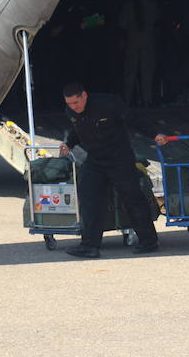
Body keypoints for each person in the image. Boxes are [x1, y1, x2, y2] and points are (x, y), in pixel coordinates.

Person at [60, 83, 158, 258]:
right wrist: (69, 143)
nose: (74, 108)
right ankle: (90, 245)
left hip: (119, 158)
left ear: (84, 95)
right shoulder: (71, 112)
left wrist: (154, 134)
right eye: (69, 104)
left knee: (132, 198)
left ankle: (148, 241)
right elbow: (78, 130)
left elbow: (133, 119)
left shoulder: (108, 104)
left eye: (76, 103)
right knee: (88, 198)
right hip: (95, 160)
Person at [119, 0, 160, 106]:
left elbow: (122, 24)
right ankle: (147, 101)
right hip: (148, 44)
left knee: (129, 74)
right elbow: (158, 21)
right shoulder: (153, 5)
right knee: (147, 74)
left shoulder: (128, 5)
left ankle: (126, 101)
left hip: (132, 44)